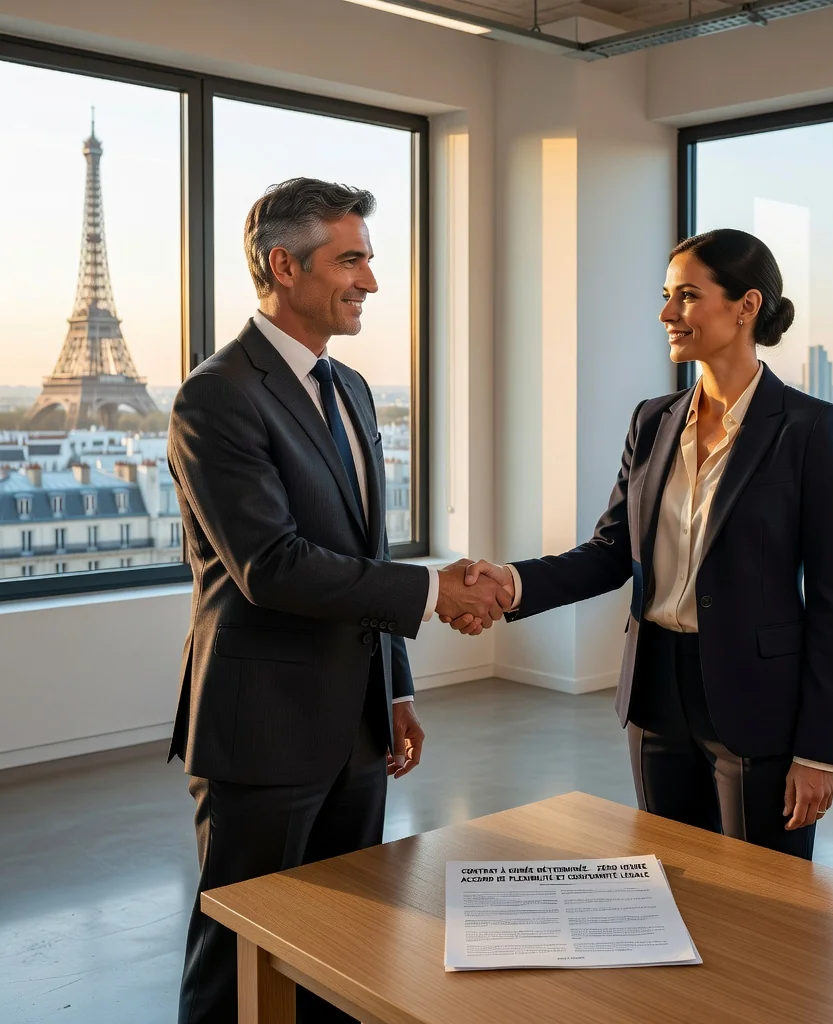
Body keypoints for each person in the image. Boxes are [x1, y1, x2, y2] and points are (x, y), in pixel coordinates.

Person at [168, 177, 510, 1024]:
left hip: (357, 723)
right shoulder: (217, 394)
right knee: (238, 955)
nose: (371, 281)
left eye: (369, 259)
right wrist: (436, 590)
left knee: (343, 945)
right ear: (284, 266)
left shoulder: (351, 388)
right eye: (351, 260)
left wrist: (394, 688)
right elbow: (272, 565)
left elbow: (364, 553)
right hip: (263, 724)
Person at [448, 229, 833, 861]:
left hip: (759, 703)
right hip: (655, 692)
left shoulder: (810, 429)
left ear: (746, 306)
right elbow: (612, 551)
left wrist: (818, 751)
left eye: (687, 296)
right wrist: (512, 582)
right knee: (670, 880)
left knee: (765, 895)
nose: (667, 313)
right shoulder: (653, 420)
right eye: (666, 296)